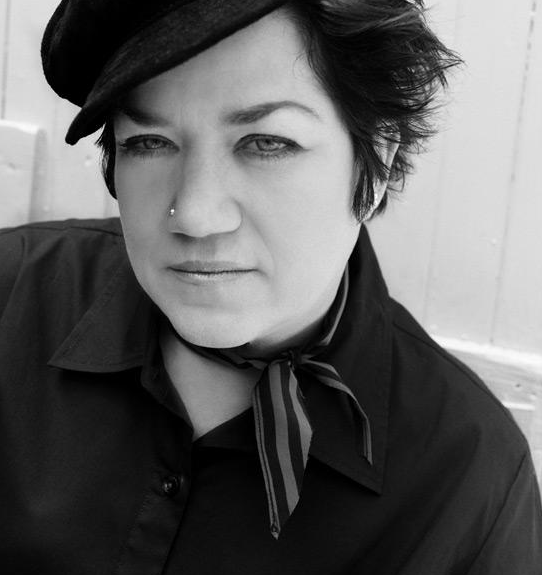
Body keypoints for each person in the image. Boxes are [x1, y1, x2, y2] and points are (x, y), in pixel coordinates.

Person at [1, 0, 541, 573]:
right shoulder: (12, 292)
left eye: (266, 142)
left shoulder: (468, 478)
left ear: (377, 163)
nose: (196, 216)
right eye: (149, 142)